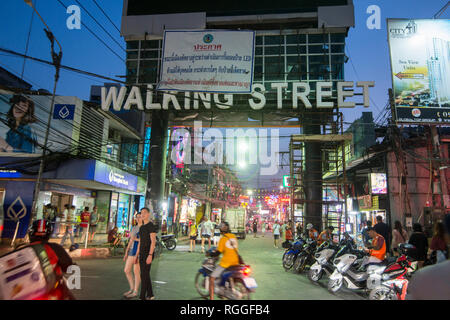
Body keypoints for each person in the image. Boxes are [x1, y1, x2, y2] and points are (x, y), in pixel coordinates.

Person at [29, 219, 75, 300]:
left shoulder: (24, 250)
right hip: (51, 289)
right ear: (48, 233)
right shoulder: (55, 248)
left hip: (28, 290)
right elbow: (68, 267)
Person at [407, 215, 450, 300]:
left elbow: (411, 244)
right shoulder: (423, 236)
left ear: (447, 237)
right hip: (423, 254)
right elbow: (427, 245)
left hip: (416, 255)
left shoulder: (424, 278)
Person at [209, 221, 240, 300]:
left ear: (221, 230)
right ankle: (225, 291)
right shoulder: (233, 237)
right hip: (236, 262)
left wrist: (211, 254)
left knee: (211, 278)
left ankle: (211, 299)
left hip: (226, 263)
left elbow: (218, 253)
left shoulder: (223, 239)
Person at [135, 207, 157, 300]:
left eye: (144, 213)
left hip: (148, 253)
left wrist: (150, 255)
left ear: (148, 214)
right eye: (141, 213)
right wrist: (137, 255)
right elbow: (141, 242)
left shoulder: (150, 226)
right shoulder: (142, 227)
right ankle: (151, 294)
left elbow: (153, 242)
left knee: (144, 275)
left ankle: (142, 296)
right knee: (144, 274)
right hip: (142, 253)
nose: (142, 214)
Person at [123, 212, 142, 299]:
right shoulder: (134, 228)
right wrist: (126, 252)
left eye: (139, 217)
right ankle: (131, 288)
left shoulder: (144, 228)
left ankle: (135, 291)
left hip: (139, 252)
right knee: (127, 270)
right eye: (136, 217)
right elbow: (131, 240)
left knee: (136, 272)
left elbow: (144, 241)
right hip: (131, 251)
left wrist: (136, 239)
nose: (138, 219)